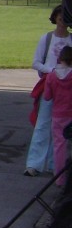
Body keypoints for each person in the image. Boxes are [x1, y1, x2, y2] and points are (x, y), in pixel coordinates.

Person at [25, 5, 71, 176]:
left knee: (61, 128)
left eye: (65, 17)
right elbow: (36, 62)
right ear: (55, 17)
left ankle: (55, 165)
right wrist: (52, 71)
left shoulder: (71, 39)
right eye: (59, 16)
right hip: (50, 84)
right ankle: (34, 164)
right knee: (43, 124)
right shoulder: (47, 38)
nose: (62, 20)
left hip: (67, 88)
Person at [43, 45, 72, 187]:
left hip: (58, 115)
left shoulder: (52, 76)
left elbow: (47, 97)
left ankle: (60, 179)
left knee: (59, 147)